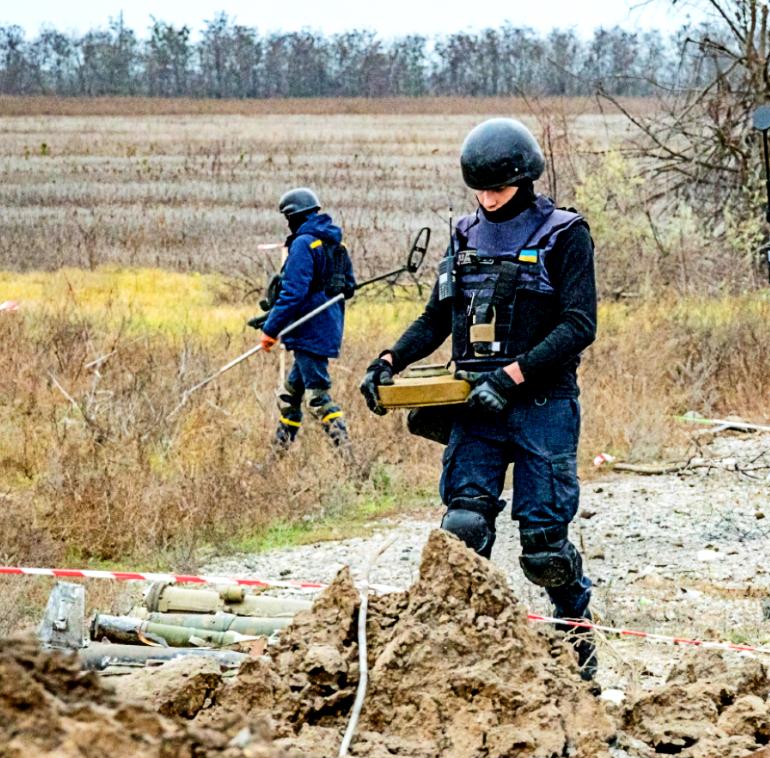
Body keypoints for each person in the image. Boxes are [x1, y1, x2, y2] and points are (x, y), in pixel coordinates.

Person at [358, 118, 600, 680]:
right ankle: (468, 652)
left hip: (542, 405)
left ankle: (578, 638)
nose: (489, 200)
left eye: (499, 189)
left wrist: (511, 378)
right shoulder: (465, 234)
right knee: (463, 529)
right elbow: (437, 316)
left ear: (525, 179)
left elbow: (578, 325)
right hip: (475, 407)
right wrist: (391, 360)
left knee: (543, 547)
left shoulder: (566, 234)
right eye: (481, 190)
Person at [257, 187, 355, 448]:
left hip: (307, 331)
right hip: (327, 328)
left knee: (317, 397)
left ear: (293, 216)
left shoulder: (303, 244)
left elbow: (293, 293)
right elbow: (349, 287)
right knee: (290, 396)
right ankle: (278, 452)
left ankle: (349, 455)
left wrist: (270, 330)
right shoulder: (337, 244)